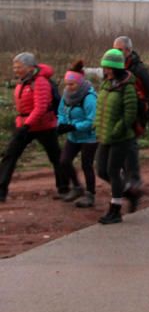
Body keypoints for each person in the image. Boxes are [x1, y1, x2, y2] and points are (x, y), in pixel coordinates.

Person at [0, 53, 66, 203]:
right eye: (14, 66)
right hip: (25, 124)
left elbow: (41, 107)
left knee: (56, 157)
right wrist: (23, 124)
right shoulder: (24, 81)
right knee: (10, 155)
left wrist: (27, 125)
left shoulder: (40, 82)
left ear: (29, 67)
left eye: (18, 67)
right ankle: (1, 190)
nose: (15, 69)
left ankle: (64, 187)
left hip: (43, 126)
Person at [94, 49, 139, 224]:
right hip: (105, 134)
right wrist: (97, 124)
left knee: (113, 171)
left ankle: (115, 210)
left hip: (120, 137)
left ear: (116, 67)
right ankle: (128, 192)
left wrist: (118, 129)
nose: (106, 70)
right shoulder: (106, 84)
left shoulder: (127, 87)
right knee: (101, 170)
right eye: (105, 67)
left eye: (109, 67)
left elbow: (130, 113)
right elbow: (101, 107)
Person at [112, 36, 149, 194]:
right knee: (119, 144)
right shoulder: (112, 67)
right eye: (114, 49)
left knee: (130, 144)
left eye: (119, 49)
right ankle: (126, 176)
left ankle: (134, 178)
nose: (116, 52)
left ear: (128, 51)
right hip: (117, 112)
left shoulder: (138, 69)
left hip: (137, 111)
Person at [56, 61, 98, 208]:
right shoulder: (67, 95)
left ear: (80, 83)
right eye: (67, 84)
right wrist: (61, 125)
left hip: (90, 137)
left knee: (87, 165)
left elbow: (92, 120)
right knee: (64, 161)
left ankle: (90, 195)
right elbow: (61, 111)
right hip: (73, 136)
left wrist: (72, 126)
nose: (68, 87)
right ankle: (77, 187)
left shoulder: (89, 98)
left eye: (72, 84)